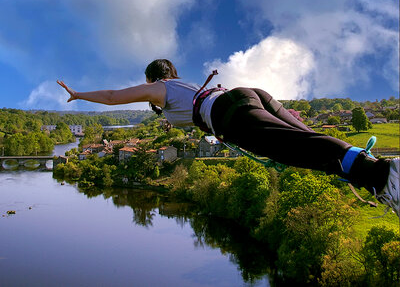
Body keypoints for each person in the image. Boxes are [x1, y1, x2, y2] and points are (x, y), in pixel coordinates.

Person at [57, 58, 399, 218]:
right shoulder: (182, 85)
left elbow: (115, 97)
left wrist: (79, 94)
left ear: (152, 79)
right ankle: (374, 175)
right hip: (246, 96)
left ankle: (384, 175)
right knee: (307, 143)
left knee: (297, 150)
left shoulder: (157, 89)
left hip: (232, 116)